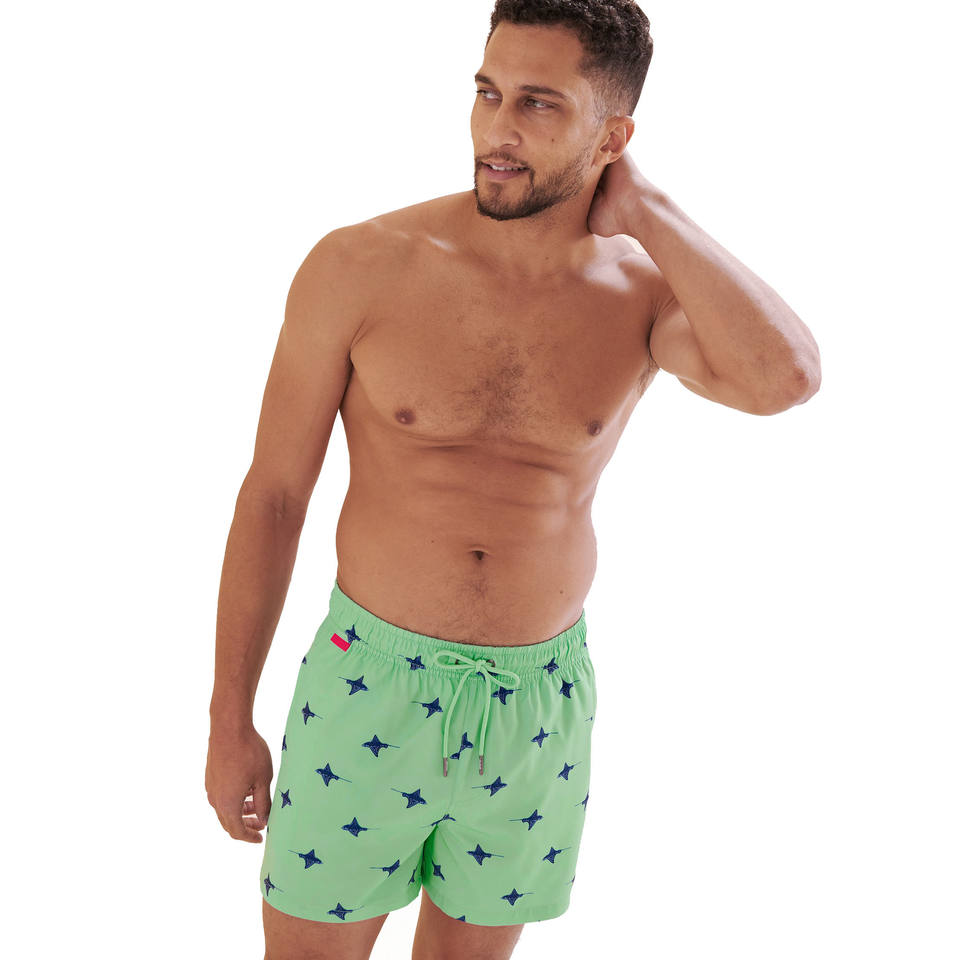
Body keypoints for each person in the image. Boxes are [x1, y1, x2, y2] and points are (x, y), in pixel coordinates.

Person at [205, 2, 821, 958]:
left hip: (537, 708)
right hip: (370, 685)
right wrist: (228, 717)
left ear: (612, 138)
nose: (497, 130)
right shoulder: (360, 265)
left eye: (539, 104)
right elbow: (274, 496)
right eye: (488, 94)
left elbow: (786, 379)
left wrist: (648, 211)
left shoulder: (642, 295)